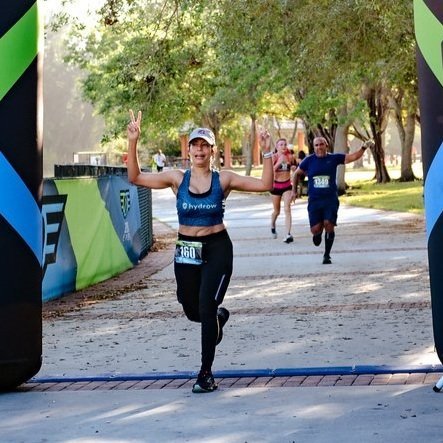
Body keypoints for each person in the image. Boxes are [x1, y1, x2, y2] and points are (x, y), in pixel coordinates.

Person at [126, 110, 273, 393]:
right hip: (186, 250)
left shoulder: (224, 180)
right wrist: (132, 142)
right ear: (189, 150)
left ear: (212, 151)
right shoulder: (176, 179)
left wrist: (266, 153)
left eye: (205, 145)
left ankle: (205, 374)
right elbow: (135, 177)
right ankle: (217, 321)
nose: (199, 150)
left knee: (206, 305)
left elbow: (265, 185)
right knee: (192, 310)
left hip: (217, 248)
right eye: (195, 145)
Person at [291, 136, 371, 264]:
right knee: (316, 229)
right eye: (316, 145)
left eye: (321, 144)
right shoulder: (309, 160)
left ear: (326, 145)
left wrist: (363, 147)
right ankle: (317, 234)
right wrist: (294, 191)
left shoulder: (333, 158)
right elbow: (296, 174)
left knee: (329, 224)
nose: (319, 147)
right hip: (315, 200)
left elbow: (353, 157)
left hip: (330, 199)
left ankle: (327, 255)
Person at [270, 138, 295, 243]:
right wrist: (279, 162)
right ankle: (272, 224)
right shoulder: (273, 157)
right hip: (276, 186)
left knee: (287, 209)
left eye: (285, 144)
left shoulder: (290, 157)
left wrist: (294, 169)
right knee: (277, 211)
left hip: (287, 185)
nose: (284, 146)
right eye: (281, 144)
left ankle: (288, 234)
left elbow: (295, 169)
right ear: (277, 147)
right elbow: (270, 172)